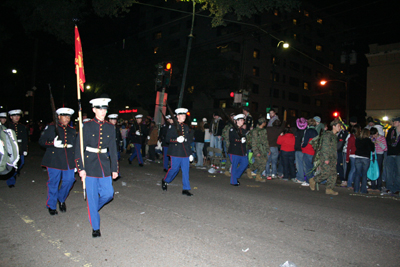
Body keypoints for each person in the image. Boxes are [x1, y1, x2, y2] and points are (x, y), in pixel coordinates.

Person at [75, 97, 118, 238]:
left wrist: (114, 169)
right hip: (90, 164)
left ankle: (92, 210)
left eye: (105, 109)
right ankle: (95, 227)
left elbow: (113, 149)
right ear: (93, 110)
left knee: (108, 194)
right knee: (92, 197)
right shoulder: (86, 126)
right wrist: (80, 168)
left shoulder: (110, 127)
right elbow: (78, 149)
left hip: (104, 165)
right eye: (100, 109)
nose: (103, 112)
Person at [39, 107, 76, 216]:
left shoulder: (72, 130)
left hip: (68, 160)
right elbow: (41, 141)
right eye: (64, 116)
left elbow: (75, 146)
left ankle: (61, 198)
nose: (67, 118)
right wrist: (52, 143)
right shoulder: (51, 127)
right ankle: (51, 205)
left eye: (68, 116)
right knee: (54, 183)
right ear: (59, 116)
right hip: (54, 160)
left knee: (69, 180)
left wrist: (76, 162)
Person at [161, 108, 194, 196]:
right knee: (174, 169)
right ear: (177, 116)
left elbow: (187, 142)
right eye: (182, 115)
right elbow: (167, 139)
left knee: (186, 171)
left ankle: (186, 189)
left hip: (185, 152)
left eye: (184, 115)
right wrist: (176, 140)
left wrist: (190, 154)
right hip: (175, 152)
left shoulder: (186, 127)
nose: (184, 117)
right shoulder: (172, 126)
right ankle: (165, 180)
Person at [309, 119, 342, 195]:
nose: (339, 128)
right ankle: (314, 180)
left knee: (333, 174)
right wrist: (326, 158)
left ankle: (329, 189)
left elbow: (334, 149)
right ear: (333, 126)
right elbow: (325, 147)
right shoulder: (328, 135)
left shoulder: (334, 136)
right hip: (326, 157)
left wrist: (335, 158)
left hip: (332, 158)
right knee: (326, 173)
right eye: (338, 126)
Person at [6, 109, 28, 188]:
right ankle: (10, 181)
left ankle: (13, 173)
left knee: (21, 163)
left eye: (18, 116)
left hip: (20, 148)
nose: (17, 117)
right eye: (15, 116)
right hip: (11, 149)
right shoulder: (7, 126)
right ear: (11, 117)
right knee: (11, 165)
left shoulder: (22, 127)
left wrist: (25, 149)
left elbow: (25, 139)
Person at [228, 114, 248, 186]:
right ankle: (233, 181)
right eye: (242, 120)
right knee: (234, 166)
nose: (243, 121)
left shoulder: (243, 130)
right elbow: (232, 139)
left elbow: (245, 141)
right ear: (237, 121)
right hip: (234, 151)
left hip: (242, 152)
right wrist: (240, 140)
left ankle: (235, 176)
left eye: (243, 120)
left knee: (245, 163)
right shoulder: (232, 129)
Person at [248, 117, 269, 182]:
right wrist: (256, 152)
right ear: (262, 123)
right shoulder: (255, 131)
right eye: (265, 122)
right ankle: (251, 169)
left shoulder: (264, 130)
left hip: (264, 150)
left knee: (264, 162)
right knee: (259, 162)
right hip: (258, 149)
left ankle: (258, 176)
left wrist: (268, 149)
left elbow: (266, 141)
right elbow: (253, 143)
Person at [354, 128, 375, 194]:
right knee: (364, 174)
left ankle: (356, 189)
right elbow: (372, 149)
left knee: (357, 173)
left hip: (358, 157)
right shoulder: (368, 140)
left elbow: (356, 146)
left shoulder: (357, 139)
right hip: (365, 158)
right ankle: (363, 190)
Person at [384, 117, 400, 194]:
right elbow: (387, 141)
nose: (394, 122)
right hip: (390, 153)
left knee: (398, 172)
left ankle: (397, 188)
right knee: (389, 171)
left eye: (395, 121)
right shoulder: (391, 131)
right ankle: (389, 187)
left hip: (398, 154)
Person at [369, 126, 387, 191]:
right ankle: (373, 185)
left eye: (374, 134)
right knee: (372, 169)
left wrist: (379, 143)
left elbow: (385, 148)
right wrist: (372, 142)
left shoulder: (382, 138)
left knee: (378, 170)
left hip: (379, 155)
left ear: (377, 133)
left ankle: (379, 186)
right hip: (373, 155)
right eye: (372, 135)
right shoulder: (371, 138)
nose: (374, 136)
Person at [301, 118, 318, 185]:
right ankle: (311, 180)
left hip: (307, 150)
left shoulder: (307, 131)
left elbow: (305, 141)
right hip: (313, 151)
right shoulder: (316, 131)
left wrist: (302, 146)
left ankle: (308, 181)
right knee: (311, 166)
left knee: (307, 167)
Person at [345, 125, 361, 190]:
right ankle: (349, 184)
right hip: (353, 155)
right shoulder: (351, 138)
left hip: (357, 155)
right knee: (353, 169)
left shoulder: (357, 137)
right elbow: (348, 148)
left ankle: (354, 183)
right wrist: (347, 158)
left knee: (355, 170)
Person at [294, 117, 307, 185]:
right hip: (304, 150)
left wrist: (295, 148)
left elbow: (296, 142)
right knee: (304, 164)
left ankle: (300, 178)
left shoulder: (298, 132)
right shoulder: (306, 131)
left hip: (299, 149)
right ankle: (304, 178)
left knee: (299, 165)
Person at [108, 114, 122, 178]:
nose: (114, 121)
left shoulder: (117, 128)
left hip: (116, 147)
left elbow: (119, 137)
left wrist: (120, 143)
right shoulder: (107, 128)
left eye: (115, 119)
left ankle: (117, 173)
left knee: (116, 160)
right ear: (109, 120)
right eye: (113, 119)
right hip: (108, 148)